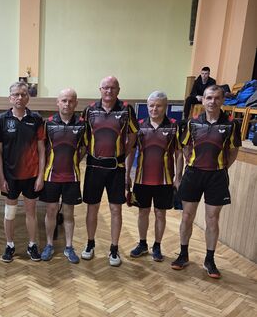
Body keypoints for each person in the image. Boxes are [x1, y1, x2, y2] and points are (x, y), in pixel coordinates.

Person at [172, 85, 241, 278]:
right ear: (203, 100)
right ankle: (183, 254)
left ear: (223, 100)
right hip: (193, 174)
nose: (212, 101)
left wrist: (222, 168)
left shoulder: (231, 124)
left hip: (217, 176)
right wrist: (181, 174)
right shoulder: (192, 123)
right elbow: (185, 148)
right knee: (187, 216)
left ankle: (209, 260)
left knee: (212, 219)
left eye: (217, 98)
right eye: (209, 98)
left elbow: (233, 151)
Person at [82, 76, 138, 266]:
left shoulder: (126, 110)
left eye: (113, 88)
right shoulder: (89, 110)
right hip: (93, 167)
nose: (109, 91)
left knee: (116, 209)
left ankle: (114, 248)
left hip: (116, 168)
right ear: (100, 89)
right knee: (92, 207)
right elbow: (83, 137)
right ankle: (90, 244)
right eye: (105, 87)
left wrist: (123, 154)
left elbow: (133, 136)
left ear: (118, 90)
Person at [126, 91, 182, 261]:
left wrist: (178, 178)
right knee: (142, 212)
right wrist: (127, 174)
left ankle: (157, 246)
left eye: (158, 106)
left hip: (164, 180)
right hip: (141, 179)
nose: (154, 109)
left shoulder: (174, 126)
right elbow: (131, 151)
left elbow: (179, 153)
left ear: (166, 107)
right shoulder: (139, 126)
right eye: (151, 105)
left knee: (160, 213)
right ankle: (142, 244)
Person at [0, 81, 45, 262]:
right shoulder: (1, 120)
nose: (19, 97)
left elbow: (41, 149)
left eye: (23, 94)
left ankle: (32, 245)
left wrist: (40, 176)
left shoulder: (36, 119)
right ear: (10, 98)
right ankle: (9, 245)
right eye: (16, 94)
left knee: (31, 212)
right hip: (10, 176)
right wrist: (1, 178)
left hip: (31, 175)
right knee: (10, 213)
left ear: (28, 97)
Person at [40, 88, 85, 263]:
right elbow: (42, 149)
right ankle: (49, 245)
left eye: (71, 101)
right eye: (64, 100)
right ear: (58, 102)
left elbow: (84, 148)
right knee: (51, 211)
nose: (67, 104)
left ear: (76, 103)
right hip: (51, 176)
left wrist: (73, 162)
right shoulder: (48, 123)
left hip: (72, 177)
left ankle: (69, 247)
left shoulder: (82, 124)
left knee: (68, 213)